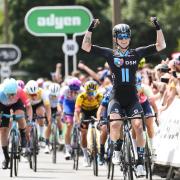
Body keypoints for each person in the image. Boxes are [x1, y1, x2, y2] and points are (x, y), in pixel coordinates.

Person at [81, 17, 166, 176]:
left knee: (139, 126)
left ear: (130, 38)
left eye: (126, 36)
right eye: (121, 37)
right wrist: (91, 27)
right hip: (117, 98)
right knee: (114, 125)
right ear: (115, 39)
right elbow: (86, 46)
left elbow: (161, 45)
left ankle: (140, 162)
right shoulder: (110, 53)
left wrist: (157, 26)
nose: (124, 39)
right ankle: (117, 149)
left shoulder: (136, 53)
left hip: (132, 99)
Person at [0, 78, 32, 169]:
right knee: (3, 130)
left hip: (17, 104)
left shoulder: (20, 91)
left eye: (13, 94)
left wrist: (29, 121)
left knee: (20, 115)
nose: (10, 97)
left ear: (16, 91)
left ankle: (23, 139)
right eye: (8, 95)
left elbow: (29, 107)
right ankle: (6, 158)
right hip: (2, 105)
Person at [74, 80, 103, 167]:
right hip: (85, 112)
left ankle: (100, 153)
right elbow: (77, 111)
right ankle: (85, 156)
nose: (91, 96)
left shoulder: (99, 96)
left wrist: (102, 119)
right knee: (83, 132)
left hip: (95, 111)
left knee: (102, 128)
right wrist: (78, 121)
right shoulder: (81, 96)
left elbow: (103, 109)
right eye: (88, 93)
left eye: (93, 93)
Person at [59, 77, 83, 159]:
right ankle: (67, 148)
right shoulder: (64, 90)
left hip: (78, 104)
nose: (73, 92)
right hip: (68, 104)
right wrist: (62, 113)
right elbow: (60, 103)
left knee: (81, 122)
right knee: (69, 125)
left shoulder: (82, 91)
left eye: (75, 90)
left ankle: (79, 139)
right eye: (71, 90)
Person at [25, 80, 51, 153]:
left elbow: (47, 107)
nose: (33, 96)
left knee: (41, 112)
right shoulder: (24, 92)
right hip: (27, 106)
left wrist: (48, 118)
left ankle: (41, 136)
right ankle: (27, 142)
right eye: (31, 95)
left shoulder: (42, 92)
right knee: (27, 125)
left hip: (38, 105)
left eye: (35, 94)